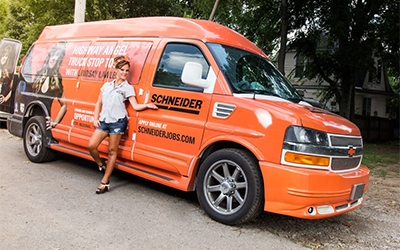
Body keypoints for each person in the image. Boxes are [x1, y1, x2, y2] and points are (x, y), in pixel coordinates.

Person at [88, 55, 158, 194]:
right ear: (116, 70)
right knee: (91, 146)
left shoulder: (127, 88)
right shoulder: (106, 86)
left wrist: (147, 105)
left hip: (118, 122)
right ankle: (101, 164)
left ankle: (105, 181)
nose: (125, 73)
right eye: (122, 70)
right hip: (104, 121)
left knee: (112, 151)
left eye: (127, 70)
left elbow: (135, 105)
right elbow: (98, 103)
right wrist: (95, 118)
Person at [32, 41, 67, 130]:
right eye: (53, 55)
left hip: (44, 124)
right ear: (49, 57)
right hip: (32, 121)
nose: (54, 59)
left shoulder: (56, 80)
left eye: (57, 57)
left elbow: (64, 105)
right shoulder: (39, 74)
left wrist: (54, 122)